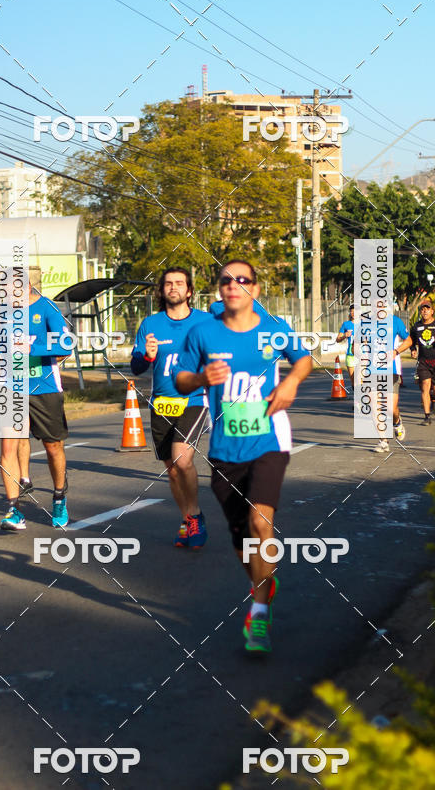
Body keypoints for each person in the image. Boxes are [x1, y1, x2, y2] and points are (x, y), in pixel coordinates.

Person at [174, 260, 312, 654]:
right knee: (241, 537)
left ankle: (260, 612)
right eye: (226, 280)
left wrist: (290, 383)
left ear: (255, 287)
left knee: (260, 522)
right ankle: (261, 582)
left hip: (269, 440)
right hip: (224, 447)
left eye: (243, 279)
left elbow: (302, 358)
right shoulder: (203, 332)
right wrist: (202, 379)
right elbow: (180, 379)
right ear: (218, 289)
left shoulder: (273, 328)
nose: (234, 285)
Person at [131, 267, 212, 548]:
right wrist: (146, 355)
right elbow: (137, 367)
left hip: (195, 399)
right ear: (162, 290)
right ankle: (187, 518)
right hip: (162, 403)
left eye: (179, 283)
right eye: (168, 284)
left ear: (189, 291)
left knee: (181, 458)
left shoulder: (206, 322)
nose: (173, 287)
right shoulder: (150, 324)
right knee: (171, 467)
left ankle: (196, 516)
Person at [0, 281, 71, 531]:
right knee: (8, 448)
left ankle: (59, 496)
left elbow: (65, 345)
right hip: (12, 387)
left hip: (45, 387)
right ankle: (12, 510)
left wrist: (34, 348)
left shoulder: (47, 307)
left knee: (53, 447)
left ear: (28, 284)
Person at [394, 299, 435, 426]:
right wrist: (413, 350)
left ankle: (434, 399)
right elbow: (411, 341)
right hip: (423, 361)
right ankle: (427, 417)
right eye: (422, 309)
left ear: (432, 311)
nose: (424, 311)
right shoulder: (416, 326)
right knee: (425, 386)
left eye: (427, 308)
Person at [375, 313, 409, 452]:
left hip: (392, 370)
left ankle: (397, 422)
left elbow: (409, 341)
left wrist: (396, 351)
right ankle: (383, 441)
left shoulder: (395, 321)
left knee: (390, 408)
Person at [336, 305, 355, 386]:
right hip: (350, 355)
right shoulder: (346, 324)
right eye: (352, 311)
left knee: (361, 380)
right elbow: (337, 339)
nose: (354, 313)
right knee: (353, 380)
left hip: (363, 355)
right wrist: (345, 335)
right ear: (350, 313)